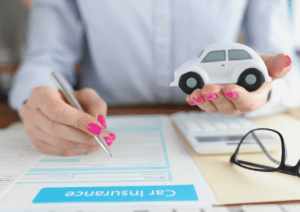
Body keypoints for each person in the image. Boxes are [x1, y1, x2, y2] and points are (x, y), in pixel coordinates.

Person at [8, 0, 300, 156]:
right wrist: (42, 101)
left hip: (222, 133)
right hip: (106, 120)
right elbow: (45, 59)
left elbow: (280, 63)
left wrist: (267, 90)